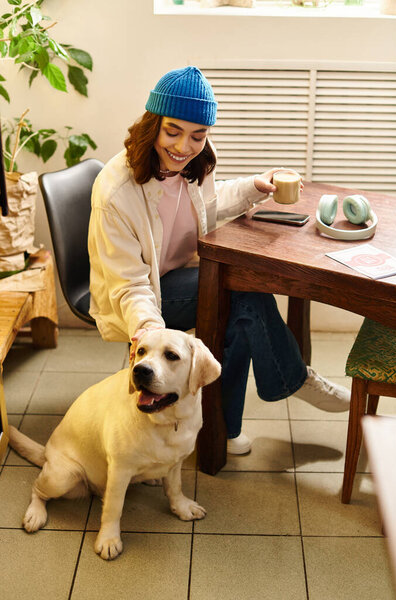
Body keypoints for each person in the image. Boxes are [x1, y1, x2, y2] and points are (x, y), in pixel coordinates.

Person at [88, 66, 349, 456]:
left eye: (198, 135)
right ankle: (292, 380)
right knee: (243, 295)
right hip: (139, 293)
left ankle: (226, 428)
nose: (184, 146)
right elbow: (128, 283)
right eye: (172, 131)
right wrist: (149, 333)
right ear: (152, 125)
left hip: (180, 275)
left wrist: (253, 187)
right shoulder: (116, 192)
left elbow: (205, 206)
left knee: (240, 306)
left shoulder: (196, 161)